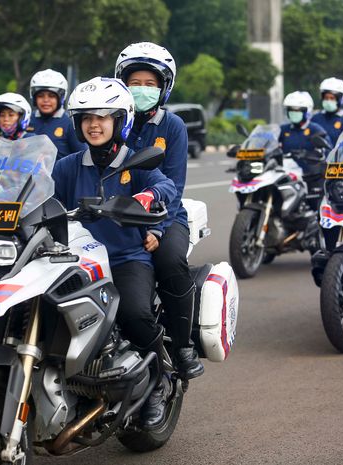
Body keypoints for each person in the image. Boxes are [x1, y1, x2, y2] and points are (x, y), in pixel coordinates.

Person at [52, 76, 177, 430]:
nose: (94, 124)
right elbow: (42, 198)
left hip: (123, 259)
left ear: (120, 121)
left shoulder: (135, 162)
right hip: (72, 260)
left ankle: (159, 379)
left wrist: (147, 198)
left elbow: (163, 185)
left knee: (136, 313)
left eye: (103, 117)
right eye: (87, 118)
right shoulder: (68, 166)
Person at [115, 41, 203, 380]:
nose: (142, 90)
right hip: (115, 215)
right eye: (134, 83)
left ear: (164, 87)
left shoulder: (173, 127)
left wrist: (156, 229)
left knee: (169, 260)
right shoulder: (108, 121)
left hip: (164, 215)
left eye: (150, 84)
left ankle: (181, 346)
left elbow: (174, 185)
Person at [28, 68, 86, 159]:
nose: (46, 100)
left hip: (59, 173)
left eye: (51, 96)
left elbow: (82, 156)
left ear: (61, 98)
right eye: (40, 96)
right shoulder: (27, 120)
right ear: (34, 97)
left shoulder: (70, 123)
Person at [311, 77, 343, 146]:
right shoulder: (316, 118)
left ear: (340, 100)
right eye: (326, 98)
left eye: (332, 98)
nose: (328, 101)